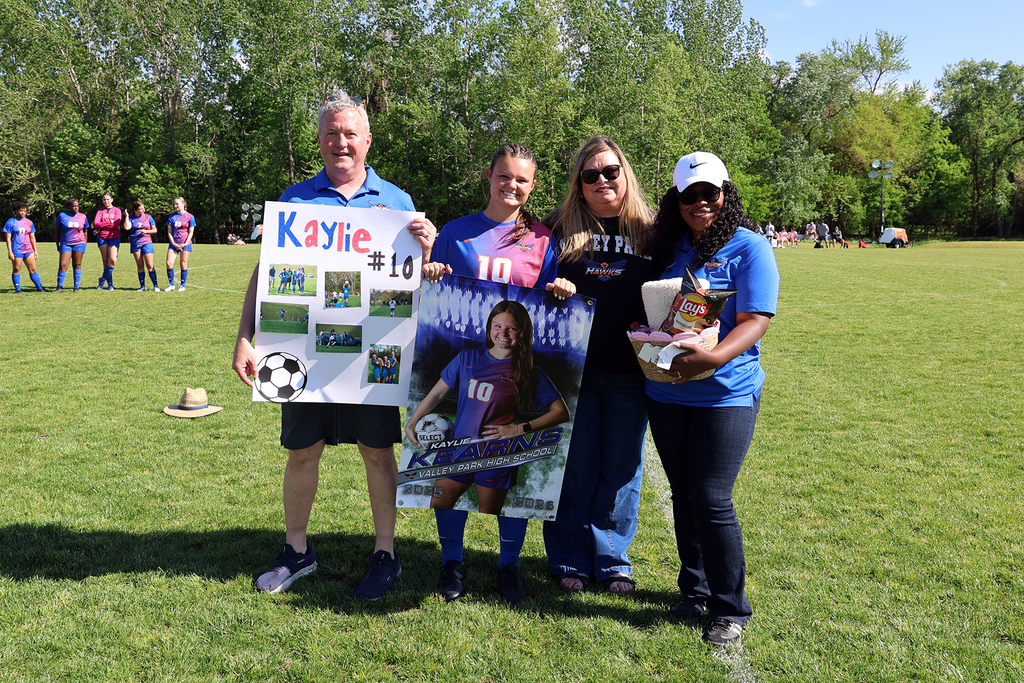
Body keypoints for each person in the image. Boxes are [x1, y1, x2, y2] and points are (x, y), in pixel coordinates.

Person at [232, 90, 436, 599]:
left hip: (375, 356)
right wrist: (244, 338)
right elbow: (267, 272)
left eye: (350, 133)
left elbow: (417, 280)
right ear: (318, 141)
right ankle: (296, 551)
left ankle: (385, 553)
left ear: (367, 140)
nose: (340, 142)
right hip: (305, 355)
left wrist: (428, 249)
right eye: (330, 133)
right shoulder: (296, 199)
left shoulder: (397, 202)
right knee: (303, 452)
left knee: (377, 452)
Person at [418, 142, 574, 605]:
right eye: (504, 176)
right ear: (489, 176)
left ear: (533, 185)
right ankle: (452, 561)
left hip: (516, 370)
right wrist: (430, 273)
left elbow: (545, 307)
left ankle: (509, 566)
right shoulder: (456, 232)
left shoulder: (544, 239)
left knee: (510, 469)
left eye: (522, 180)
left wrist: (562, 289)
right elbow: (433, 286)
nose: (512, 186)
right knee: (455, 464)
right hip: (466, 363)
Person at [646, 152, 779, 647]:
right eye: (690, 195)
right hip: (667, 392)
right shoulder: (669, 246)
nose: (701, 203)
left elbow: (756, 320)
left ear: (726, 194)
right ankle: (694, 589)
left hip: (727, 393)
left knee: (711, 497)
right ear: (677, 201)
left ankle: (730, 608)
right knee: (683, 494)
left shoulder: (750, 246)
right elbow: (654, 313)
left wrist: (715, 358)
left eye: (710, 193)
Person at [540, 136, 660, 594]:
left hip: (633, 371)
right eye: (591, 175)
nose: (602, 181)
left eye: (611, 171)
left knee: (623, 465)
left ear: (625, 174)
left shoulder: (653, 231)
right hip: (573, 373)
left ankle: (612, 559)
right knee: (574, 465)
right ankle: (569, 557)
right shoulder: (557, 228)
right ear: (578, 184)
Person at [404, 302, 569, 604]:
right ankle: (451, 564)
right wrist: (413, 421)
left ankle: (508, 567)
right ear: (489, 327)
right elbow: (439, 392)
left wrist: (519, 429)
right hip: (459, 450)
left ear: (523, 333)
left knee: (496, 511)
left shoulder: (527, 370)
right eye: (498, 326)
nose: (503, 333)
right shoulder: (467, 358)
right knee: (442, 501)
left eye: (512, 328)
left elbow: (560, 412)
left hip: (497, 454)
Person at [4, 202, 46, 292]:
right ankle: (18, 289)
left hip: (28, 250)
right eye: (20, 211)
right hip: (17, 250)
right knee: (16, 269)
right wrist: (10, 251)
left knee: (33, 269)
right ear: (16, 211)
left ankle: (40, 288)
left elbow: (32, 237)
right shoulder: (10, 222)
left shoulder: (29, 222)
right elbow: (8, 238)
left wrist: (35, 251)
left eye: (24, 211)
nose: (22, 213)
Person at [55, 198, 90, 292]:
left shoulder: (83, 216)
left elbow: (85, 230)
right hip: (66, 243)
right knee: (63, 265)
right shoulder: (62, 215)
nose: (76, 208)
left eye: (77, 206)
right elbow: (57, 230)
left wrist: (85, 243)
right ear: (69, 207)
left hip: (79, 243)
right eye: (74, 206)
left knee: (77, 264)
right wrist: (57, 243)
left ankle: (76, 287)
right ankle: (59, 287)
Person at [126, 201, 161, 291]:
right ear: (135, 210)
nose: (143, 210)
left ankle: (156, 286)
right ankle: (142, 286)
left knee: (150, 265)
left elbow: (155, 230)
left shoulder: (148, 217)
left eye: (143, 208)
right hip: (135, 243)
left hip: (147, 242)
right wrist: (126, 216)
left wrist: (146, 231)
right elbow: (127, 227)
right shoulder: (132, 218)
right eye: (140, 209)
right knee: (140, 265)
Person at [93, 192, 124, 290]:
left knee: (113, 260)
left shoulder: (117, 210)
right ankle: (109, 284)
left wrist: (103, 223)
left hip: (114, 237)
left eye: (107, 199)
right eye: (104, 200)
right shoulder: (100, 211)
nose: (106, 201)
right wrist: (108, 222)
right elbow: (96, 224)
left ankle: (102, 280)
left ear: (112, 200)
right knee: (105, 262)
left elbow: (116, 224)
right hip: (102, 237)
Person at [165, 197, 195, 291]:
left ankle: (182, 285)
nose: (175, 206)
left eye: (177, 204)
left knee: (183, 263)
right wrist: (173, 243)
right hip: (174, 244)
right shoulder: (172, 217)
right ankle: (171, 284)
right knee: (169, 263)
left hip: (185, 244)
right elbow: (169, 232)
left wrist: (185, 243)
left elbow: (191, 232)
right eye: (174, 204)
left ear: (183, 204)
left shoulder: (190, 217)